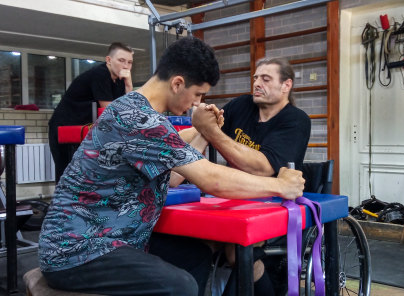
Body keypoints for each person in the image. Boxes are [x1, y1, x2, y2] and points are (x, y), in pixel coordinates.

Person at [38, 37, 305, 296]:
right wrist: (281, 185)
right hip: (77, 249)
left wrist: (204, 129)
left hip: (117, 239)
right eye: (198, 94)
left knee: (196, 256)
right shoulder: (139, 119)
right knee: (179, 285)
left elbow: (175, 173)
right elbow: (212, 180)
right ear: (178, 83)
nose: (197, 103)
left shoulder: (143, 114)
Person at [191, 58, 311, 296]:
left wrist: (211, 130)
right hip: (235, 199)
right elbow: (199, 131)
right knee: (199, 241)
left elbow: (262, 167)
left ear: (286, 85)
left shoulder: (296, 120)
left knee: (237, 251)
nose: (257, 83)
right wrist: (165, 138)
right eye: (256, 78)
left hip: (273, 201)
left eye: (265, 79)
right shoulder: (242, 105)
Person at [48, 42, 134, 183]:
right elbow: (111, 111)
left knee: (87, 177)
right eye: (121, 60)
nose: (125, 66)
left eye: (129, 62)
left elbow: (127, 109)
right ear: (108, 60)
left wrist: (129, 85)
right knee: (67, 175)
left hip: (84, 130)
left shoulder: (119, 82)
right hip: (64, 127)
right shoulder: (100, 74)